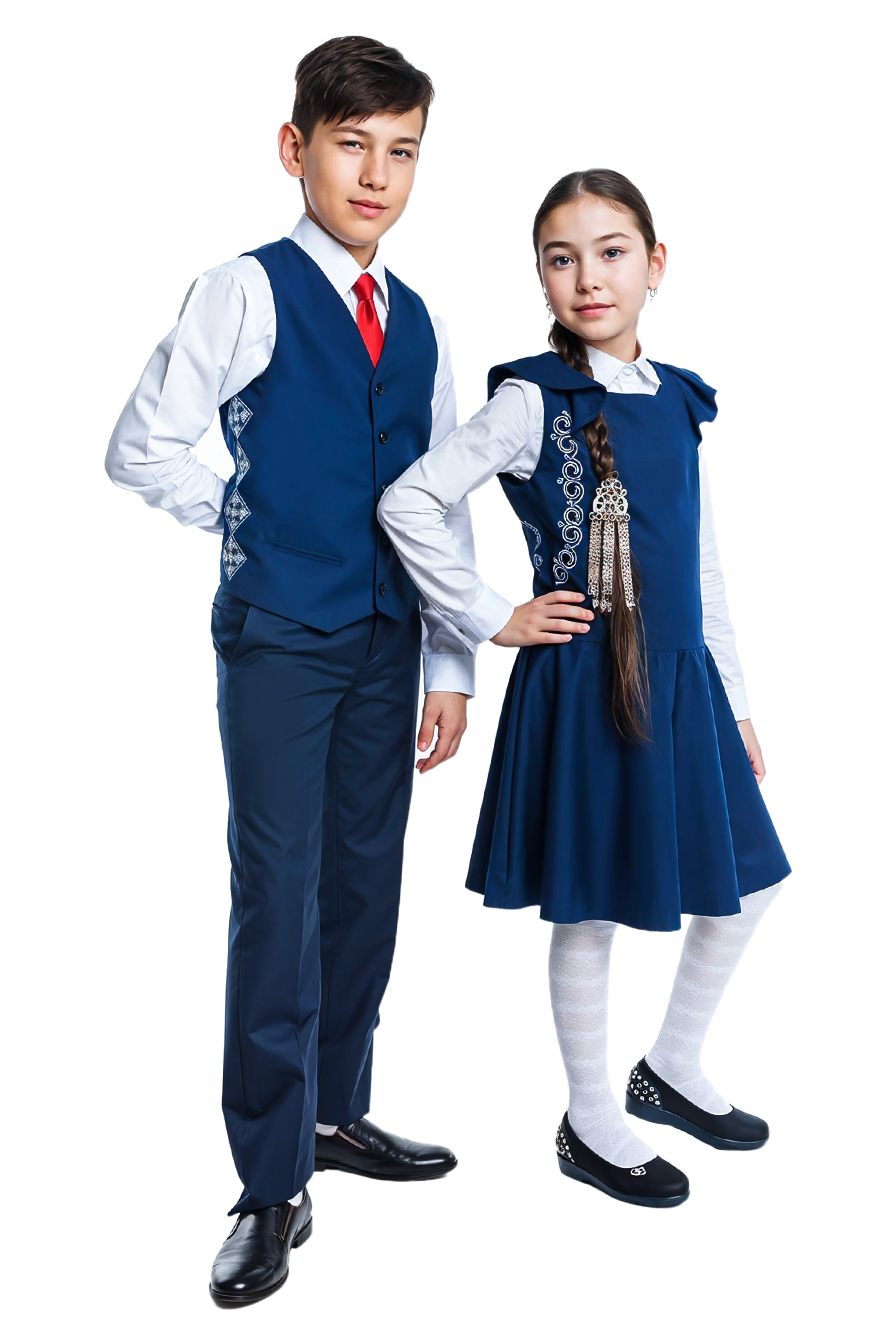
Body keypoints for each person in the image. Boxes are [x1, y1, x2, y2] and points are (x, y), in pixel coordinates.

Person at [106, 37, 466, 1306]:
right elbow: (141, 445)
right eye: (350, 145)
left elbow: (438, 499)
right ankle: (269, 1182)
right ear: (294, 148)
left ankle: (332, 1111)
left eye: (400, 151)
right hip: (277, 637)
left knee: (365, 883)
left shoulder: (418, 321)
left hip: (388, 639)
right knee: (279, 894)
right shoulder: (243, 291)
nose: (375, 175)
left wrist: (453, 658)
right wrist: (247, 515)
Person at [378, 168, 791, 1209]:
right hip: (586, 688)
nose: (588, 278)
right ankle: (591, 1117)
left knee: (752, 880)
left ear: (656, 265)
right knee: (593, 908)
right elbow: (410, 500)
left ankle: (672, 1066)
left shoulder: (679, 398)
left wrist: (736, 701)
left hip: (682, 682)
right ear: (540, 277)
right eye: (560, 259)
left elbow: (701, 565)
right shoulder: (530, 400)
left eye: (611, 253)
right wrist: (493, 614)